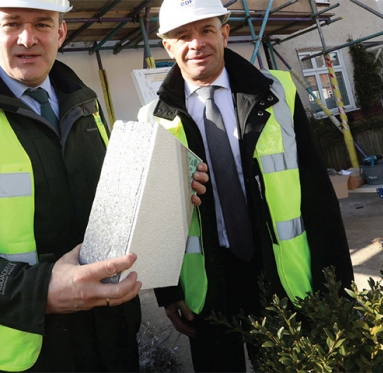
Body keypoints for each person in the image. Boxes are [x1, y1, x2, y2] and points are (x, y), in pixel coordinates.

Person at [0, 0, 208, 371]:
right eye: (12, 24)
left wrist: (163, 194)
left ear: (60, 32)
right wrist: (37, 290)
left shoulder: (86, 104)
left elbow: (113, 209)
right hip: (24, 350)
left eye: (42, 24)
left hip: (111, 339)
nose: (28, 39)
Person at [137, 0, 355, 371]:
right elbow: (157, 217)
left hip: (280, 273)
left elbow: (316, 192)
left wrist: (338, 285)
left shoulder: (277, 94)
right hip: (206, 283)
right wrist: (168, 293)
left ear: (225, 32)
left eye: (206, 30)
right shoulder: (152, 120)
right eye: (182, 35)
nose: (196, 44)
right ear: (167, 46)